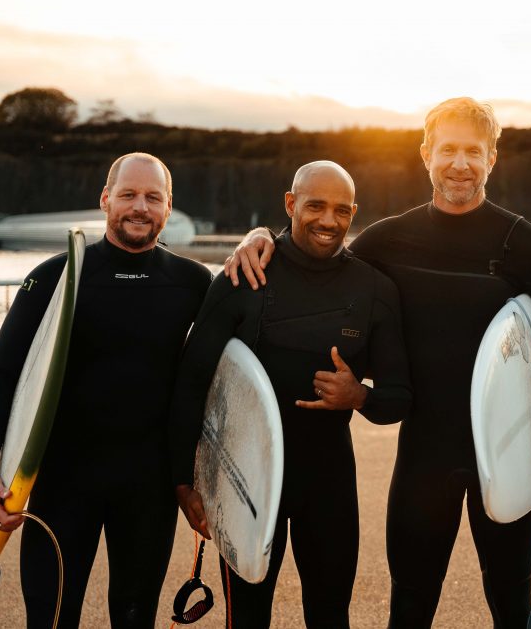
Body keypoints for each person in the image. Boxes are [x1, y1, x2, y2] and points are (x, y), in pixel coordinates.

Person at [226, 98, 531, 627]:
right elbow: (317, 262)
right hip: (425, 454)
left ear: (493, 158)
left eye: (473, 151)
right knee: (411, 602)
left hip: (512, 446)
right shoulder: (388, 239)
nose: (460, 163)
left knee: (510, 600)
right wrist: (259, 239)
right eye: (448, 150)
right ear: (426, 154)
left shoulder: (525, 244)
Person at [0, 153, 212, 628]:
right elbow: (2, 375)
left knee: (134, 617)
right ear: (105, 199)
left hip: (149, 487)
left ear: (168, 206)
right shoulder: (54, 277)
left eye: (152, 197)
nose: (139, 207)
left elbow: (227, 375)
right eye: (127, 194)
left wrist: (262, 238)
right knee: (51, 617)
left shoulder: (193, 283)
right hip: (62, 483)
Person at [169, 161, 412, 628]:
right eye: (315, 206)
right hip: (245, 476)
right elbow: (192, 381)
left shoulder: (373, 290)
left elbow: (399, 397)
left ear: (354, 212)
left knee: (329, 615)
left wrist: (358, 396)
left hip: (329, 480)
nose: (328, 221)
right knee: (247, 618)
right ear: (290, 204)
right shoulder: (245, 276)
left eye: (341, 210)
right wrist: (184, 480)